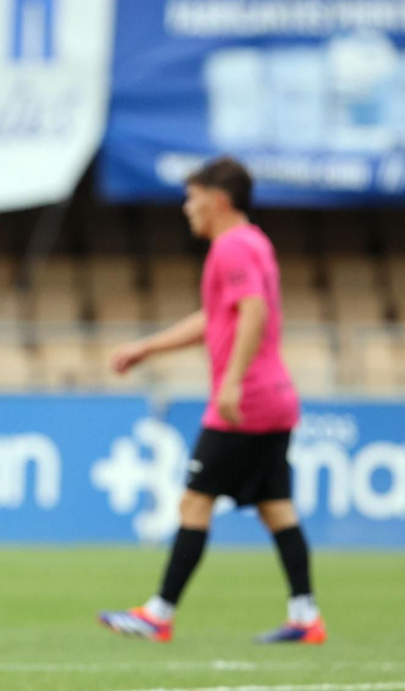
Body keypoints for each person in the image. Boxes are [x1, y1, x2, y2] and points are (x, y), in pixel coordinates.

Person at [99, 157, 322, 645]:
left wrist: (233, 382)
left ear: (218, 199)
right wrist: (146, 347)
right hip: (276, 398)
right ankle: (306, 616)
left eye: (193, 196)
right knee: (276, 507)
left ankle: (159, 612)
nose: (187, 207)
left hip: (250, 401)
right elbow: (218, 318)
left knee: (194, 501)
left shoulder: (232, 246)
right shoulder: (254, 242)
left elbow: (253, 312)